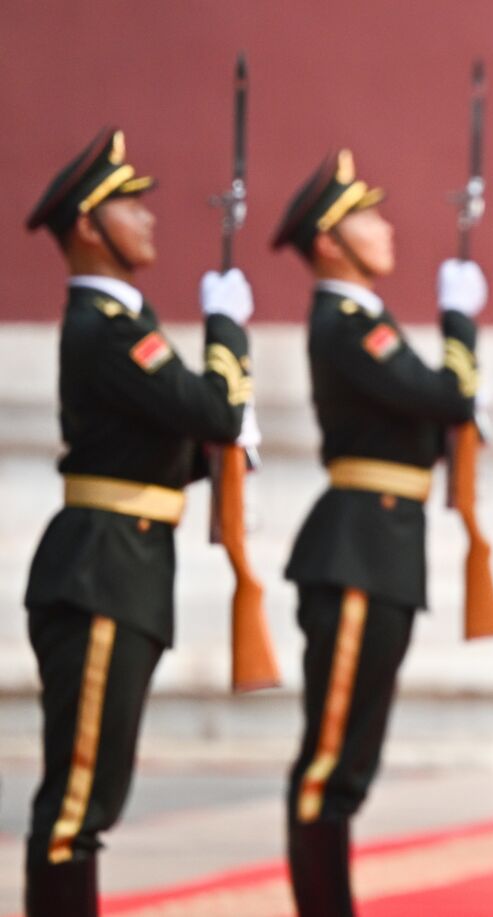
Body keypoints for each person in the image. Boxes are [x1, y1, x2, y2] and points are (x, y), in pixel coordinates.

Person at [21, 127, 253, 915]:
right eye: (129, 205)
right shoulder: (107, 328)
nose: (150, 218)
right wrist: (227, 332)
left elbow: (163, 445)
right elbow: (213, 410)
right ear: (88, 224)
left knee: (91, 799)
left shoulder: (122, 326)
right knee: (75, 803)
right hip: (102, 571)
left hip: (125, 566)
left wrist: (221, 440)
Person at [272, 149, 485, 915]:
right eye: (368, 216)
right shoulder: (345, 320)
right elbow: (444, 394)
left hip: (385, 549)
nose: (387, 227)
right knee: (331, 758)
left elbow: (430, 417)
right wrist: (461, 320)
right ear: (330, 240)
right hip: (357, 551)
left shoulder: (366, 317)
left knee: (351, 756)